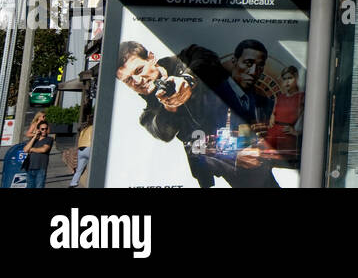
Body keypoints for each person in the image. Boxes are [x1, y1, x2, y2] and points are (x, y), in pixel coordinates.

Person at [115, 40, 278, 188]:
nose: (137, 81)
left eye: (139, 70)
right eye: (128, 80)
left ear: (151, 58)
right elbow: (162, 132)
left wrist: (187, 80)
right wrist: (169, 106)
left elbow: (205, 60)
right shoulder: (150, 112)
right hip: (216, 166)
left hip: (244, 148)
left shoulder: (187, 58)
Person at [263, 65, 303, 157]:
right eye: (285, 79)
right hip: (273, 135)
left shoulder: (302, 97)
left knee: (285, 161)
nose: (287, 82)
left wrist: (297, 133)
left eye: (290, 78)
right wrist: (271, 121)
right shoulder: (280, 97)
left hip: (288, 137)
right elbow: (273, 115)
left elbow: (309, 121)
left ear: (296, 78)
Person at [21, 120, 54, 189]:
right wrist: (34, 137)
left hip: (40, 169)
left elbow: (44, 149)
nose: (44, 130)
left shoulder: (49, 139)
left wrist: (32, 149)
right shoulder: (34, 139)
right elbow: (25, 150)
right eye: (42, 129)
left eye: (46, 129)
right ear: (38, 130)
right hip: (30, 168)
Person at [69, 120, 93, 188]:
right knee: (93, 167)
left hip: (80, 150)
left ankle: (73, 183)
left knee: (79, 169)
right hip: (88, 148)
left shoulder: (84, 130)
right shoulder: (93, 127)